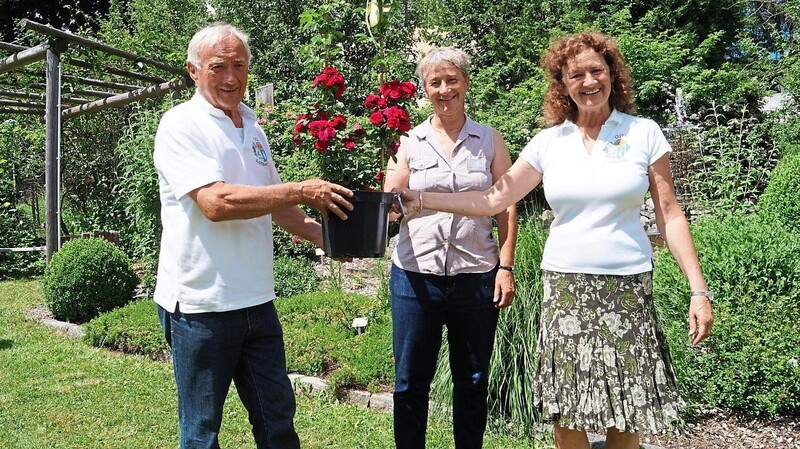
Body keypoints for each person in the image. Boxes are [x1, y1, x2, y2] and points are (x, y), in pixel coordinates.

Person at [395, 33, 714, 449]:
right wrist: (420, 198)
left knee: (626, 404)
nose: (588, 81)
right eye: (575, 74)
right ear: (563, 84)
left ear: (612, 75)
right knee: (567, 407)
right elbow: (495, 197)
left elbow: (671, 215)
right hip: (565, 287)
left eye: (596, 71)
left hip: (628, 287)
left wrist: (698, 289)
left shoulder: (644, 133)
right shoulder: (550, 142)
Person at [152, 23, 354, 449]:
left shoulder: (252, 125)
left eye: (239, 66)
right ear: (193, 70)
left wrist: (325, 238)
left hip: (257, 302)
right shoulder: (180, 124)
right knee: (202, 429)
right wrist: (302, 189)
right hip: (201, 306)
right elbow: (216, 203)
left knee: (277, 418)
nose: (231, 77)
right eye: (218, 67)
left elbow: (276, 203)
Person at [382, 47, 518, 449]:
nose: (444, 90)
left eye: (451, 80)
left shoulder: (490, 140)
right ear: (425, 90)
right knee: (409, 382)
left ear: (466, 83)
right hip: (415, 275)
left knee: (473, 380)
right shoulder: (408, 142)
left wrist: (505, 268)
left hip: (476, 275)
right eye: (435, 82)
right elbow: (390, 205)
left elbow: (507, 206)